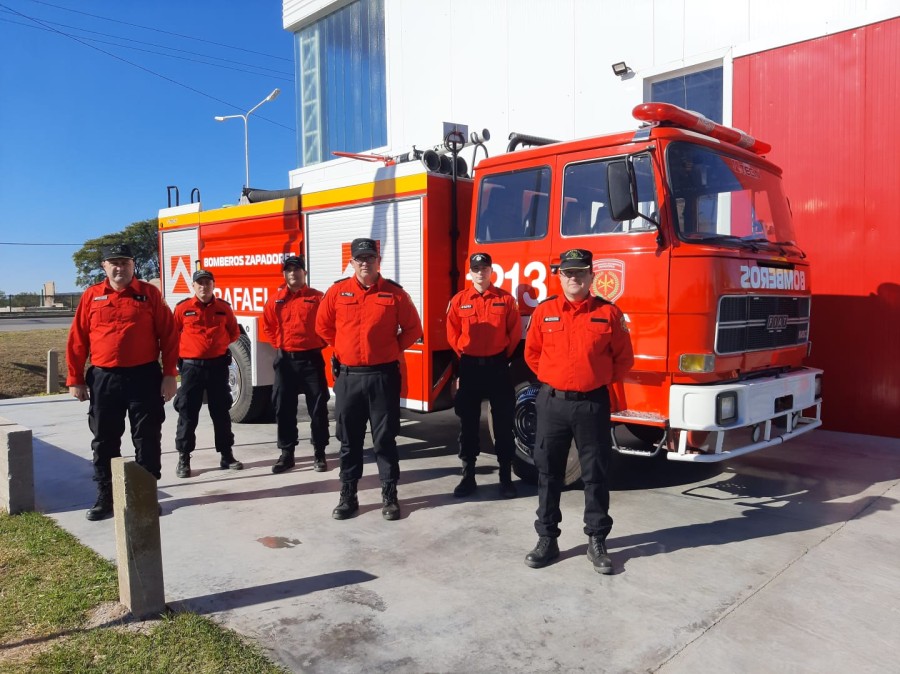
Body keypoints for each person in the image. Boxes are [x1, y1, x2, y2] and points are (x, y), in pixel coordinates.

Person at [522, 248, 634, 574]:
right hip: (552, 402)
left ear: (591, 276)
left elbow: (623, 359)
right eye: (568, 273)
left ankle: (597, 539)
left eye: (581, 272)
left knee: (595, 473)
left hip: (591, 403)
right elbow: (532, 354)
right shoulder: (544, 312)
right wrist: (554, 381)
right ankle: (547, 539)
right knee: (547, 472)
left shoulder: (608, 314)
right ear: (560, 276)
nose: (574, 278)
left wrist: (594, 380)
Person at [66, 243, 178, 521]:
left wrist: (169, 375)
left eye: (125, 262)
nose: (120, 268)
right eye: (113, 263)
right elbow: (78, 340)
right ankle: (107, 497)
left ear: (133, 266)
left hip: (144, 377)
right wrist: (75, 379)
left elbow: (170, 336)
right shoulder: (92, 296)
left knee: (147, 438)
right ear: (104, 267)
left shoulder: (149, 294)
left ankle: (145, 497)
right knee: (104, 440)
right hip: (104, 379)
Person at [316, 237, 423, 521]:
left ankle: (389, 495)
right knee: (349, 440)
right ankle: (348, 495)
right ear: (352, 263)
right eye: (360, 259)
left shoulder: (394, 294)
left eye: (370, 258)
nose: (365, 263)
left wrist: (391, 348)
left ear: (379, 261)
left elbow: (413, 328)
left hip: (382, 377)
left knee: (384, 439)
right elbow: (322, 326)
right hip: (349, 378)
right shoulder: (338, 292)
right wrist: (341, 349)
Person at [446, 252, 520, 498]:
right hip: (469, 368)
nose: (480, 272)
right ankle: (468, 477)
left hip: (497, 368)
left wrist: (498, 356)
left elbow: (514, 334)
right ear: (470, 272)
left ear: (491, 271)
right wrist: (468, 356)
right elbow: (453, 335)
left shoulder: (506, 300)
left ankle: (505, 478)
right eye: (476, 268)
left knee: (503, 425)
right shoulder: (459, 301)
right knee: (468, 425)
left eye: (484, 268)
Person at [261, 255, 330, 474]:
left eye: (297, 269)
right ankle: (287, 453)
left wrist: (318, 344)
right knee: (283, 409)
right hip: (285, 362)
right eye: (288, 270)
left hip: (311, 360)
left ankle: (319, 452)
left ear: (304, 273)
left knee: (318, 409)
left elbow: (328, 325)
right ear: (284, 274)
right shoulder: (276, 300)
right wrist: (281, 346)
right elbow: (268, 326)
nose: (293, 273)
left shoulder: (317, 298)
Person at [172, 269, 243, 478]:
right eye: (199, 283)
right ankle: (184, 458)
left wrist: (217, 347)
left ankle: (226, 455)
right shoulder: (183, 309)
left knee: (221, 412)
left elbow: (233, 332)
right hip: (191, 369)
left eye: (207, 283)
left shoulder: (223, 308)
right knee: (187, 413)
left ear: (213, 285)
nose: (204, 286)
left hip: (218, 367)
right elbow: (172, 335)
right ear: (193, 287)